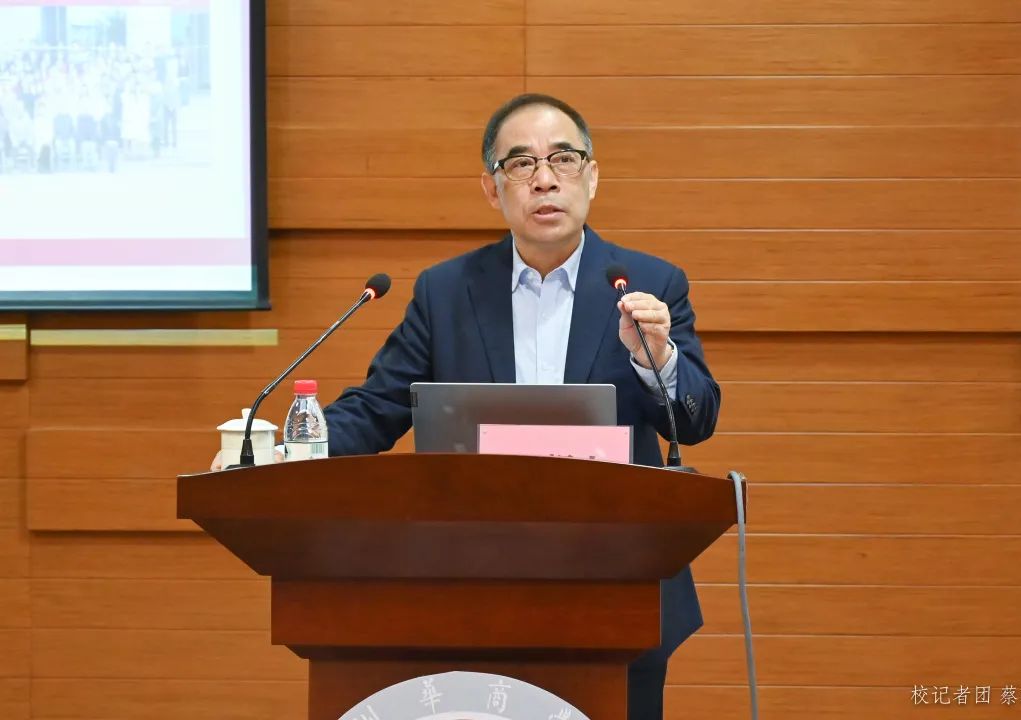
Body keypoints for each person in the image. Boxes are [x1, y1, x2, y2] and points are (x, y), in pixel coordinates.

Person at [212, 93, 721, 720]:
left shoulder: (649, 284)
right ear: (491, 187)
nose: (544, 179)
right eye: (520, 163)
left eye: (563, 159)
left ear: (592, 176)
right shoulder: (446, 291)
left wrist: (657, 357)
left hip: (619, 589)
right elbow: (374, 409)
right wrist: (284, 447)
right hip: (470, 586)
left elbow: (696, 419)